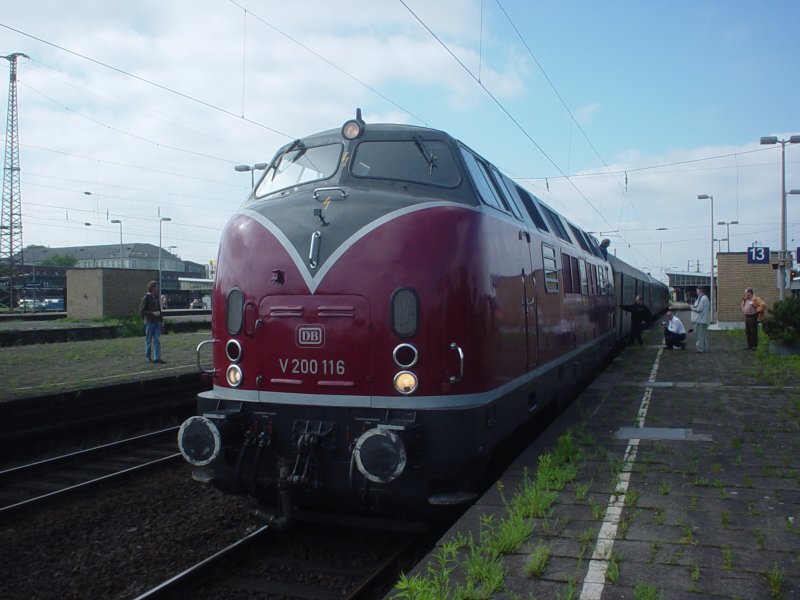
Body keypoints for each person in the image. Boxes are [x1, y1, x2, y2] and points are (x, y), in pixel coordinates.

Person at [139, 280, 166, 364]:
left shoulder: (156, 297)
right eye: (156, 287)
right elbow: (142, 311)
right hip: (149, 322)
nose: (157, 288)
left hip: (157, 322)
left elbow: (159, 309)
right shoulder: (146, 297)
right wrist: (152, 313)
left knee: (156, 340)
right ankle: (148, 357)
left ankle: (157, 358)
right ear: (152, 288)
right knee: (148, 340)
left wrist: (161, 320)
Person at [690, 287, 711, 353]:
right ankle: (703, 348)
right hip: (702, 320)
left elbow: (698, 309)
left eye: (697, 290)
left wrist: (692, 307)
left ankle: (700, 349)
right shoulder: (704, 298)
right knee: (702, 335)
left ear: (700, 291)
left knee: (699, 335)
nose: (696, 291)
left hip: (700, 321)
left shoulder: (702, 298)